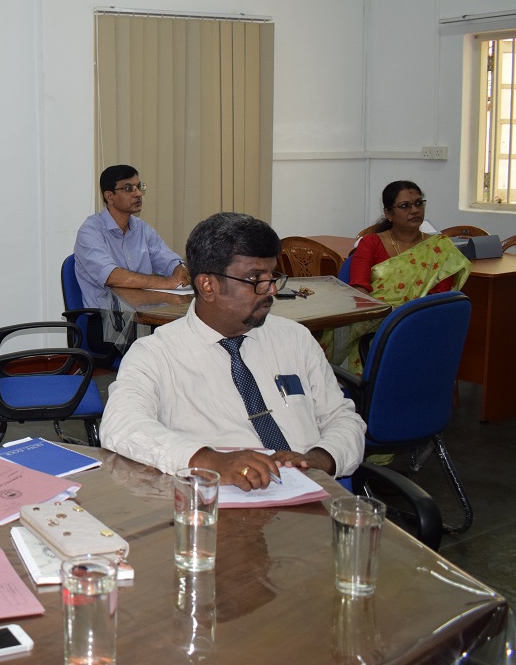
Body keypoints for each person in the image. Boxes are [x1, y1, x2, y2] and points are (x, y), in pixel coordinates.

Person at [100, 212, 366, 490]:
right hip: (224, 501)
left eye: (273, 276)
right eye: (255, 278)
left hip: (313, 496)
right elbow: (122, 425)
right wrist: (209, 461)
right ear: (207, 285)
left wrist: (319, 459)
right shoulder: (156, 354)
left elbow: (343, 419)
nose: (271, 290)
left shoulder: (295, 338)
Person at [336, 181, 471, 373]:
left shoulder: (440, 248)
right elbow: (359, 289)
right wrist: (386, 318)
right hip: (374, 322)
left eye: (419, 203)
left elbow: (440, 299)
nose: (414, 210)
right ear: (388, 213)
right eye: (405, 206)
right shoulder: (371, 243)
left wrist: (405, 319)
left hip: (421, 323)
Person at [73, 164, 190, 312]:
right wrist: (167, 283)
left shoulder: (143, 229)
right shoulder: (90, 231)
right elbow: (111, 276)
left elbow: (169, 261)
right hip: (104, 318)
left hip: (144, 313)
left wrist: (179, 270)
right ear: (109, 197)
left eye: (138, 187)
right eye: (128, 188)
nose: (138, 194)